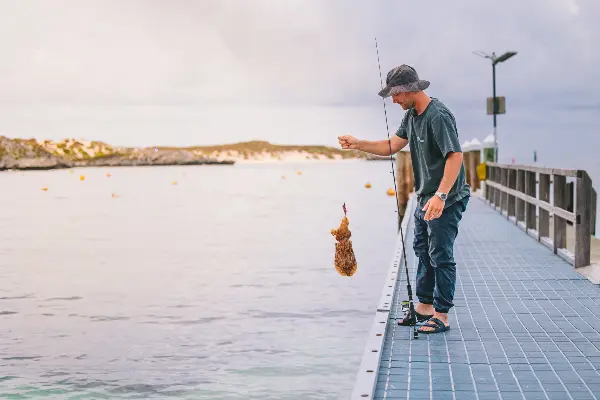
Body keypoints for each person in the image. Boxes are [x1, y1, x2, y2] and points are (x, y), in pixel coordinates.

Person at [338, 64, 470, 334]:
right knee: (423, 250)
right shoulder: (412, 116)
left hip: (446, 198)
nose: (394, 100)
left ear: (409, 90)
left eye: (395, 95)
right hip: (424, 197)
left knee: (441, 255)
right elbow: (391, 146)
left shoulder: (438, 116)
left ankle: (442, 315)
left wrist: (441, 196)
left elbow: (455, 156)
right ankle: (424, 306)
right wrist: (358, 143)